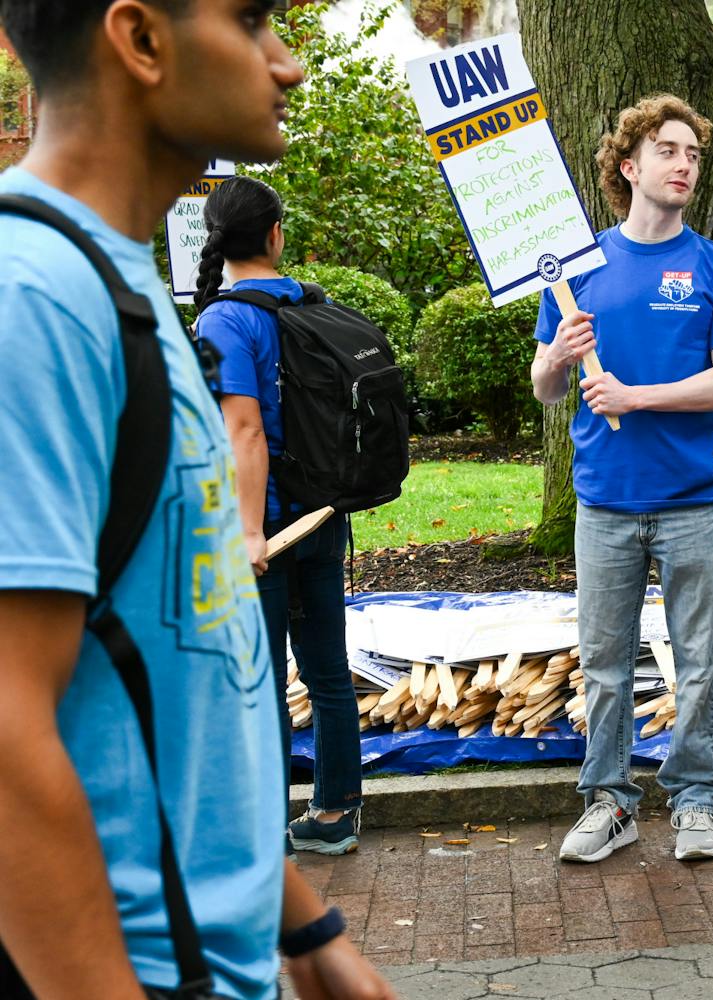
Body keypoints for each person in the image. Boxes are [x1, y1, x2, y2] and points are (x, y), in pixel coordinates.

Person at [0, 1, 392, 998]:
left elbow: (191, 686)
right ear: (140, 40)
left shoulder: (124, 285)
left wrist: (303, 925)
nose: (287, 63)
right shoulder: (30, 299)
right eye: (253, 19)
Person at [533, 94, 713, 865]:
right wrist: (557, 354)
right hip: (605, 506)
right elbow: (546, 389)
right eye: (667, 150)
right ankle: (610, 802)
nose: (684, 163)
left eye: (692, 153)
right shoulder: (576, 268)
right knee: (606, 665)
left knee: (699, 662)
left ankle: (696, 801)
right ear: (630, 166)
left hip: (693, 501)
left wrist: (635, 397)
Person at [195, 175, 364, 856]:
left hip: (262, 530)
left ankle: (265, 830)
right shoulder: (306, 301)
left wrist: (246, 532)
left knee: (259, 679)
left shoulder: (224, 318)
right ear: (275, 235)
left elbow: (244, 434)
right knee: (327, 672)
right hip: (322, 517)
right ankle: (335, 816)